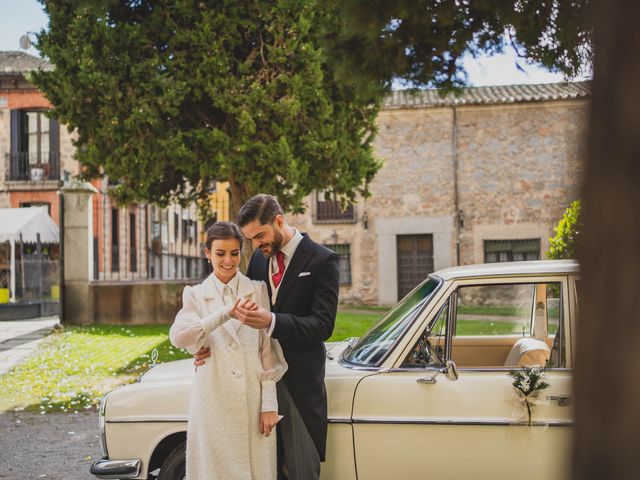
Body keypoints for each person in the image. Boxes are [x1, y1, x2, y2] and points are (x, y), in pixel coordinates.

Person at [169, 221, 287, 480]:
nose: (228, 261)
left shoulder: (257, 290)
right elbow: (179, 337)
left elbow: (265, 348)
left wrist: (269, 404)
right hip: (213, 402)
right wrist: (225, 313)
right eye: (220, 253)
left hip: (253, 402)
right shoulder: (196, 295)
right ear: (207, 253)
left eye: (234, 253)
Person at [234, 194, 340, 480]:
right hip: (261, 381)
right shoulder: (258, 259)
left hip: (299, 384)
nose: (256, 245)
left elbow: (323, 325)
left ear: (279, 220)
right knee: (266, 468)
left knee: (300, 469)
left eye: (260, 235)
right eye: (251, 239)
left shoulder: (323, 260)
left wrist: (273, 321)